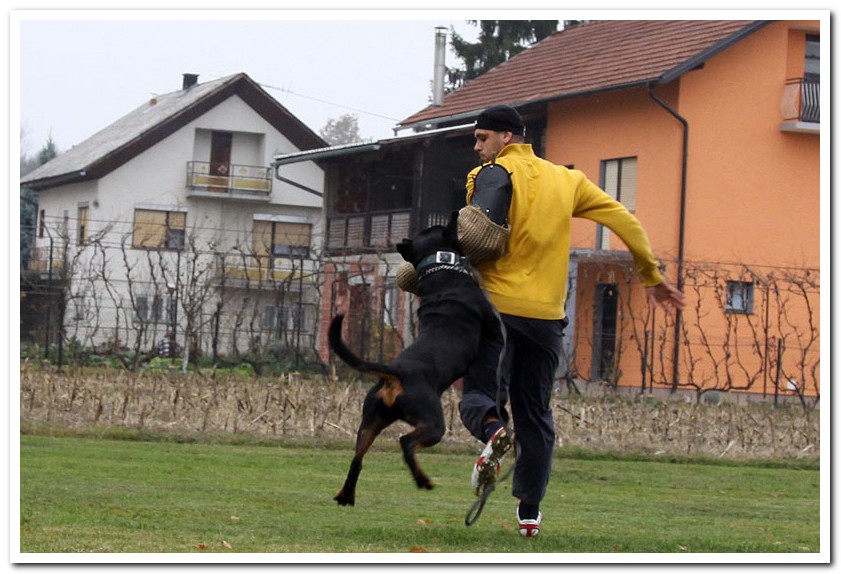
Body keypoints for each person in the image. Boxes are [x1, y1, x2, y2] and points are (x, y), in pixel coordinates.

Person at [458, 104, 685, 537]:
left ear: (507, 138)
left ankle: (492, 432)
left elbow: (475, 233)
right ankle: (529, 513)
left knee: (481, 390)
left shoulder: (489, 175)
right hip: (546, 317)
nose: (476, 146)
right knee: (536, 413)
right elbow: (625, 220)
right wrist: (652, 275)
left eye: (481, 137)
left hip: (497, 309)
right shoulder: (569, 179)